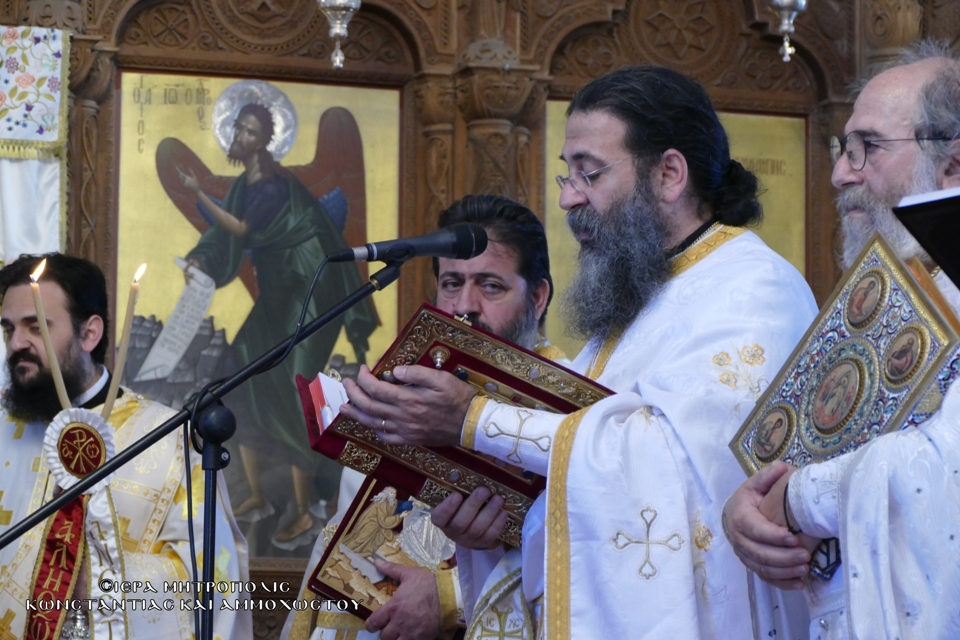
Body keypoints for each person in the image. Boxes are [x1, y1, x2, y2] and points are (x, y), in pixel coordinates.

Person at [337, 66, 818, 638]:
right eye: (568, 175)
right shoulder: (638, 301)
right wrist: (493, 529)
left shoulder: (751, 287)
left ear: (668, 174)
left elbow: (673, 470)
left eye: (589, 174)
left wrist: (474, 419)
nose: (567, 198)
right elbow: (581, 482)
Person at [723, 40, 960, 640]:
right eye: (842, 147)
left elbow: (946, 468)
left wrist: (798, 498)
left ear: (953, 165)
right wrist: (748, 511)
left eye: (868, 148)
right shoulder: (884, 297)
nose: (839, 173)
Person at [282, 194, 557, 640]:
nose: (464, 305)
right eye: (451, 284)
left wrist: (451, 598)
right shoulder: (397, 402)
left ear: (538, 297)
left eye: (490, 286)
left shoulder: (569, 424)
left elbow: (588, 561)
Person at [0, 253, 251, 639]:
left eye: (36, 328)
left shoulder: (169, 438)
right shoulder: (3, 430)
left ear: (90, 334)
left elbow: (214, 578)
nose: (17, 343)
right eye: (8, 329)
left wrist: (101, 580)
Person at [179, 102, 379, 544]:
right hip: (278, 288)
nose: (241, 136)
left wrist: (197, 193)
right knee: (242, 370)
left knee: (292, 381)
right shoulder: (244, 183)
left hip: (309, 285)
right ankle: (255, 493)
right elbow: (221, 236)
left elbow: (240, 230)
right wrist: (198, 258)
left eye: (251, 131)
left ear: (264, 140)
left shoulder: (270, 183)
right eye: (239, 128)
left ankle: (306, 508)